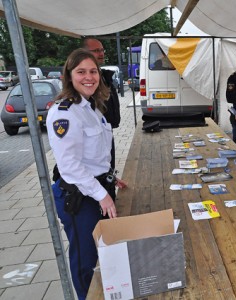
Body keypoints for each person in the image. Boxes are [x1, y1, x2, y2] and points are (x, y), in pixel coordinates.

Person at [47, 49, 121, 299]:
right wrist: (102, 194)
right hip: (80, 197)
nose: (89, 77)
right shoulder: (64, 112)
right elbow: (69, 166)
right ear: (68, 76)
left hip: (96, 188)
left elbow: (95, 154)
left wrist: (109, 175)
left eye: (93, 71)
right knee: (85, 259)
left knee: (103, 251)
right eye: (81, 72)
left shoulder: (90, 106)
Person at [83, 38, 121, 169]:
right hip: (93, 139)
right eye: (96, 50)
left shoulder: (103, 75)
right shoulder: (83, 82)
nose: (101, 54)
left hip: (106, 131)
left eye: (102, 50)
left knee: (109, 172)